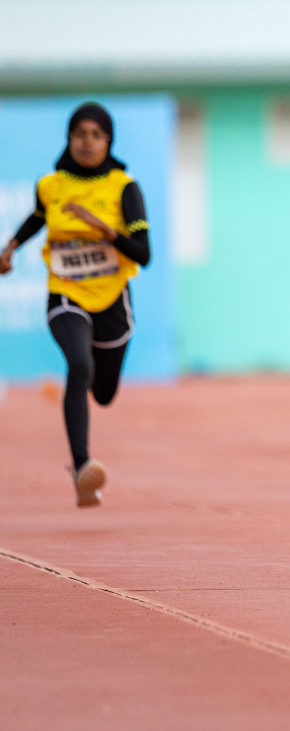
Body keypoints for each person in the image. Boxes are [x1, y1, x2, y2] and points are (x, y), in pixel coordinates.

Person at [0, 103, 152, 508]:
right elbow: (36, 218)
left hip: (113, 303)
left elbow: (143, 253)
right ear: (69, 139)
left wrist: (106, 231)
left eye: (96, 135)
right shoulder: (50, 185)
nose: (87, 142)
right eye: (79, 133)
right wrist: (11, 247)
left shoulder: (124, 188)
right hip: (65, 295)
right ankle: (83, 469)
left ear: (108, 142)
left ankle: (86, 455)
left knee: (103, 393)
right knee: (79, 364)